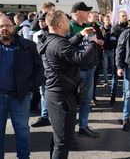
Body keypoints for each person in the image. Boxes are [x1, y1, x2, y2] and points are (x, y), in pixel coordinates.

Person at [37, 10, 102, 159]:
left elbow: (65, 47)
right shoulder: (58, 43)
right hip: (62, 97)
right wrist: (92, 42)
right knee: (63, 142)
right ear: (60, 24)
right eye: (67, 21)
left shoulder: (50, 39)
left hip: (57, 94)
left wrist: (81, 35)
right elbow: (81, 59)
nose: (69, 23)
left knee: (58, 138)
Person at [0, 15, 43, 159]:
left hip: (19, 96)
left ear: (14, 27)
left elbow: (39, 69)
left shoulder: (28, 46)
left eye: (8, 25)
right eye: (1, 26)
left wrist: (30, 87)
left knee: (22, 131)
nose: (4, 28)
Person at [69, 2, 102, 138]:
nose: (89, 13)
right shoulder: (69, 26)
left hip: (90, 68)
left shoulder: (89, 26)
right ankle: (69, 130)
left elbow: (92, 43)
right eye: (86, 11)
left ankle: (83, 126)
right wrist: (81, 35)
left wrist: (97, 42)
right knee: (72, 101)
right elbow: (64, 45)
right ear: (78, 12)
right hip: (76, 70)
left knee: (86, 99)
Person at [31, 13, 52, 127]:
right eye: (39, 21)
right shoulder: (36, 35)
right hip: (41, 68)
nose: (41, 23)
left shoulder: (53, 33)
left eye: (43, 21)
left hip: (52, 68)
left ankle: (56, 115)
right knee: (43, 93)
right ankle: (45, 116)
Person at [110, 10, 130, 105]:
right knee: (116, 77)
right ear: (119, 17)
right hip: (118, 54)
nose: (125, 17)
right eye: (123, 16)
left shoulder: (129, 27)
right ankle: (112, 96)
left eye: (126, 15)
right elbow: (113, 41)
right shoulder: (115, 27)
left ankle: (125, 95)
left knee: (127, 77)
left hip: (128, 55)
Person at [100, 15, 118, 105]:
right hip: (104, 51)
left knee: (113, 66)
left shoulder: (112, 29)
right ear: (103, 21)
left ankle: (113, 80)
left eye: (109, 20)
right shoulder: (101, 29)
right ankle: (106, 81)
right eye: (106, 20)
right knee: (105, 66)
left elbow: (115, 39)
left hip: (112, 50)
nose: (108, 21)